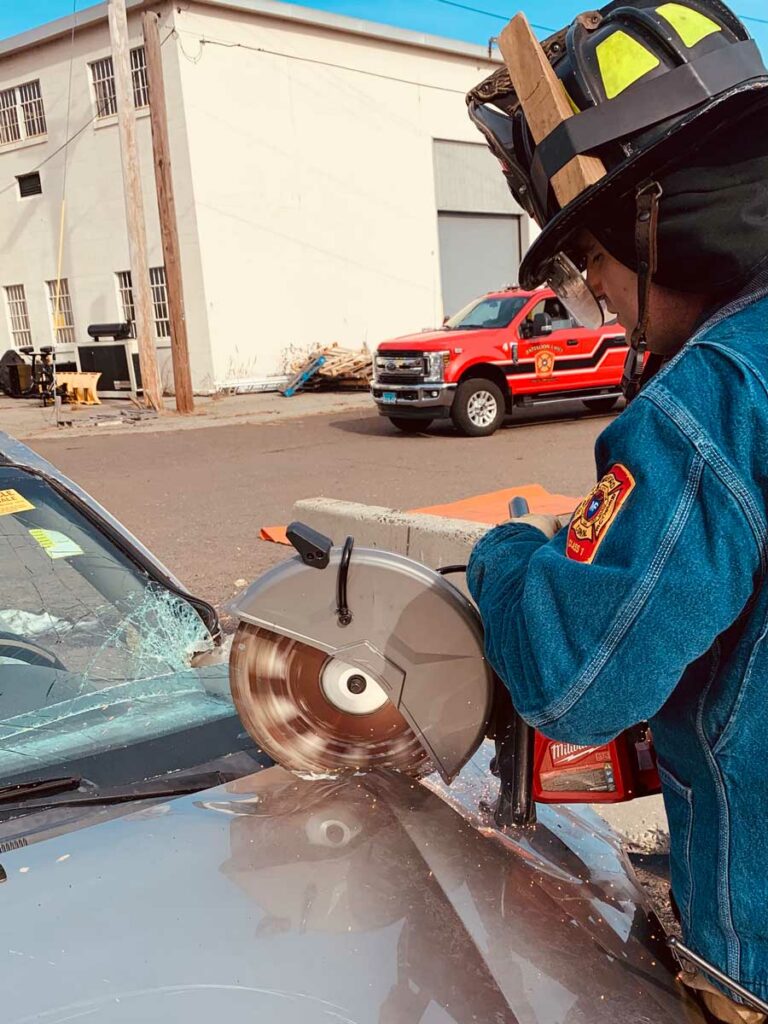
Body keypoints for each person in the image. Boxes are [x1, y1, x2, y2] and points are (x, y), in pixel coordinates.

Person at [465, 2, 768, 1021]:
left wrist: (505, 556)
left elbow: (580, 677)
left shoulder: (714, 399)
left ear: (661, 218)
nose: (594, 288)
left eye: (590, 258)